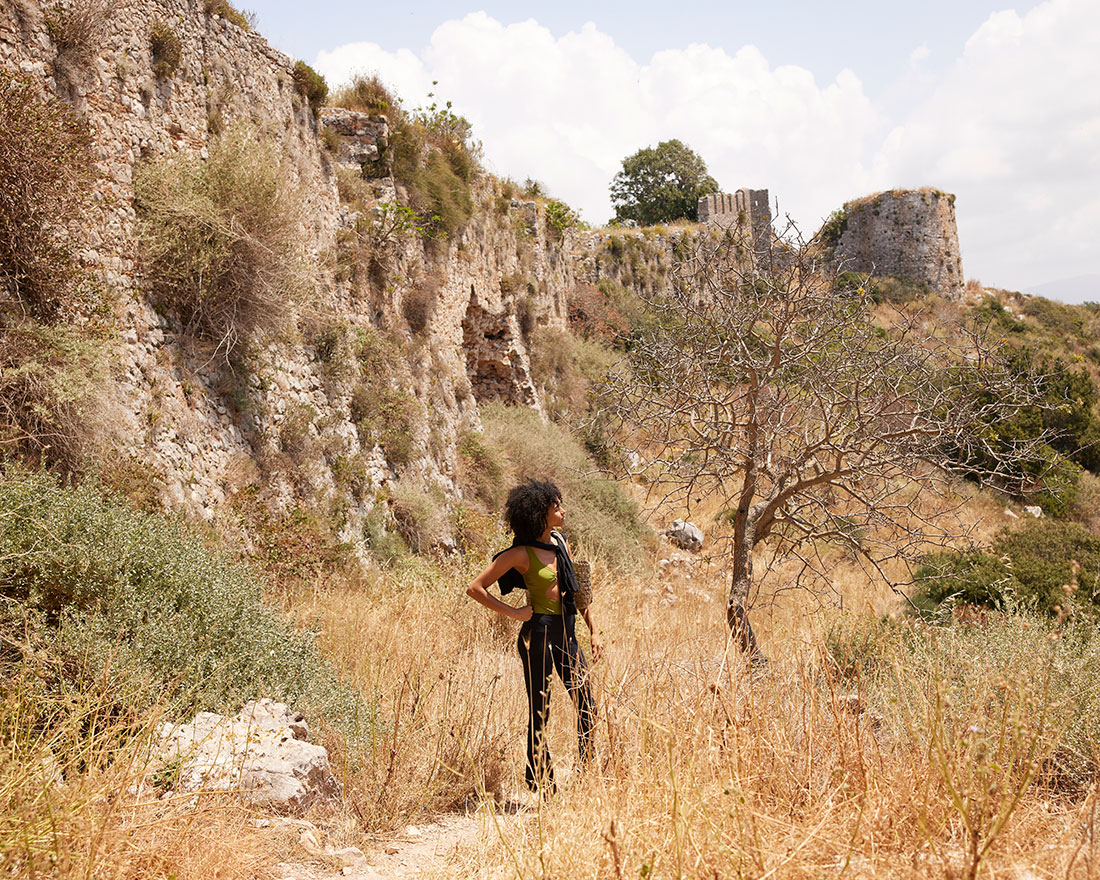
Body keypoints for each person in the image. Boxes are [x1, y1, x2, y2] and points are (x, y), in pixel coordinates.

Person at [466, 479, 602, 791]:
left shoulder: (562, 543)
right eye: (556, 507)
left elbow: (579, 593)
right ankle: (542, 780)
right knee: (541, 709)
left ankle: (588, 769)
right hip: (537, 634)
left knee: (587, 703)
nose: (563, 511)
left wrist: (594, 631)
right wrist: (514, 613)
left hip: (567, 632)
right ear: (540, 514)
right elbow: (475, 588)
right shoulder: (521, 553)